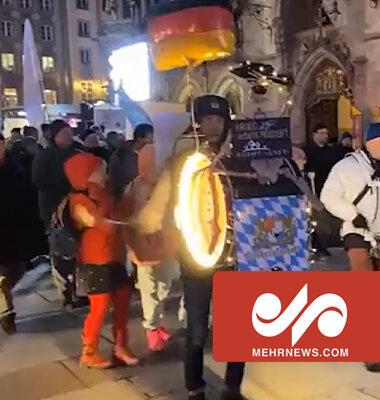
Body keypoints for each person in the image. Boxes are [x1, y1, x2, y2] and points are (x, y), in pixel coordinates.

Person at [133, 95, 247, 400]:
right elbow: (159, 203)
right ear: (197, 122)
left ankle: (232, 387)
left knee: (237, 329)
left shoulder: (238, 159)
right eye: (208, 119)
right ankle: (195, 388)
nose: (214, 125)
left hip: (235, 256)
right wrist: (146, 222)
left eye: (219, 120)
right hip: (196, 258)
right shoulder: (183, 161)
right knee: (197, 328)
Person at [321, 122, 380, 373]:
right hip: (358, 231)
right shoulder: (347, 166)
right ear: (370, 142)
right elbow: (329, 196)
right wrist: (352, 215)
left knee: (379, 288)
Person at [63, 152, 139, 368]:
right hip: (95, 260)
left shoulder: (108, 193)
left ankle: (121, 347)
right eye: (99, 169)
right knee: (100, 306)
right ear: (86, 173)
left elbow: (122, 214)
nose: (104, 172)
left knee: (123, 302)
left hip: (115, 256)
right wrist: (120, 220)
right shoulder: (78, 200)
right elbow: (99, 223)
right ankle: (89, 351)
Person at [128, 143, 179, 352]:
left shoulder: (169, 183)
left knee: (164, 286)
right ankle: (151, 326)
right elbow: (127, 216)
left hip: (167, 243)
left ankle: (157, 321)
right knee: (149, 288)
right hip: (145, 248)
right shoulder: (134, 187)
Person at [32, 120, 84, 309]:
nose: (68, 136)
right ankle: (66, 292)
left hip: (76, 208)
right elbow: (38, 180)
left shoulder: (76, 152)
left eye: (70, 133)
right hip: (54, 210)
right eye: (64, 133)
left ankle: (78, 289)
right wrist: (65, 185)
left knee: (77, 250)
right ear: (54, 136)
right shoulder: (44, 156)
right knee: (60, 250)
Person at [0, 134, 35, 334]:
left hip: (13, 228)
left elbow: (25, 193)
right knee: (3, 275)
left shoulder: (14, 166)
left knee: (15, 270)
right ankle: (7, 312)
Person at [304, 124, 344, 259]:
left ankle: (323, 245)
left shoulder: (331, 152)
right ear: (314, 134)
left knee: (329, 220)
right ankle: (317, 247)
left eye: (326, 133)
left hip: (329, 191)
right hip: (313, 191)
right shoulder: (307, 151)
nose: (325, 136)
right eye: (321, 133)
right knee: (318, 221)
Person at [108, 123, 154, 198]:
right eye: (150, 138)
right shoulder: (122, 155)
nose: (153, 141)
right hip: (124, 197)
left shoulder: (143, 154)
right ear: (140, 139)